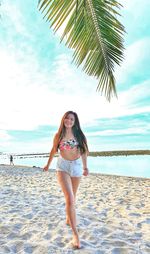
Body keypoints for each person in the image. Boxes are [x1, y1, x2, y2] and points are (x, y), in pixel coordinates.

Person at [43, 111, 89, 249]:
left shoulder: (80, 135)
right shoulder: (58, 135)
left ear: (75, 122)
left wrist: (86, 167)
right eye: (67, 118)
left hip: (76, 167)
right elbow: (53, 150)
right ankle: (75, 234)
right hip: (62, 166)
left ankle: (69, 218)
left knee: (72, 199)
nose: (69, 121)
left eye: (72, 119)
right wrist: (48, 164)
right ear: (63, 120)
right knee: (69, 198)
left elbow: (84, 151)